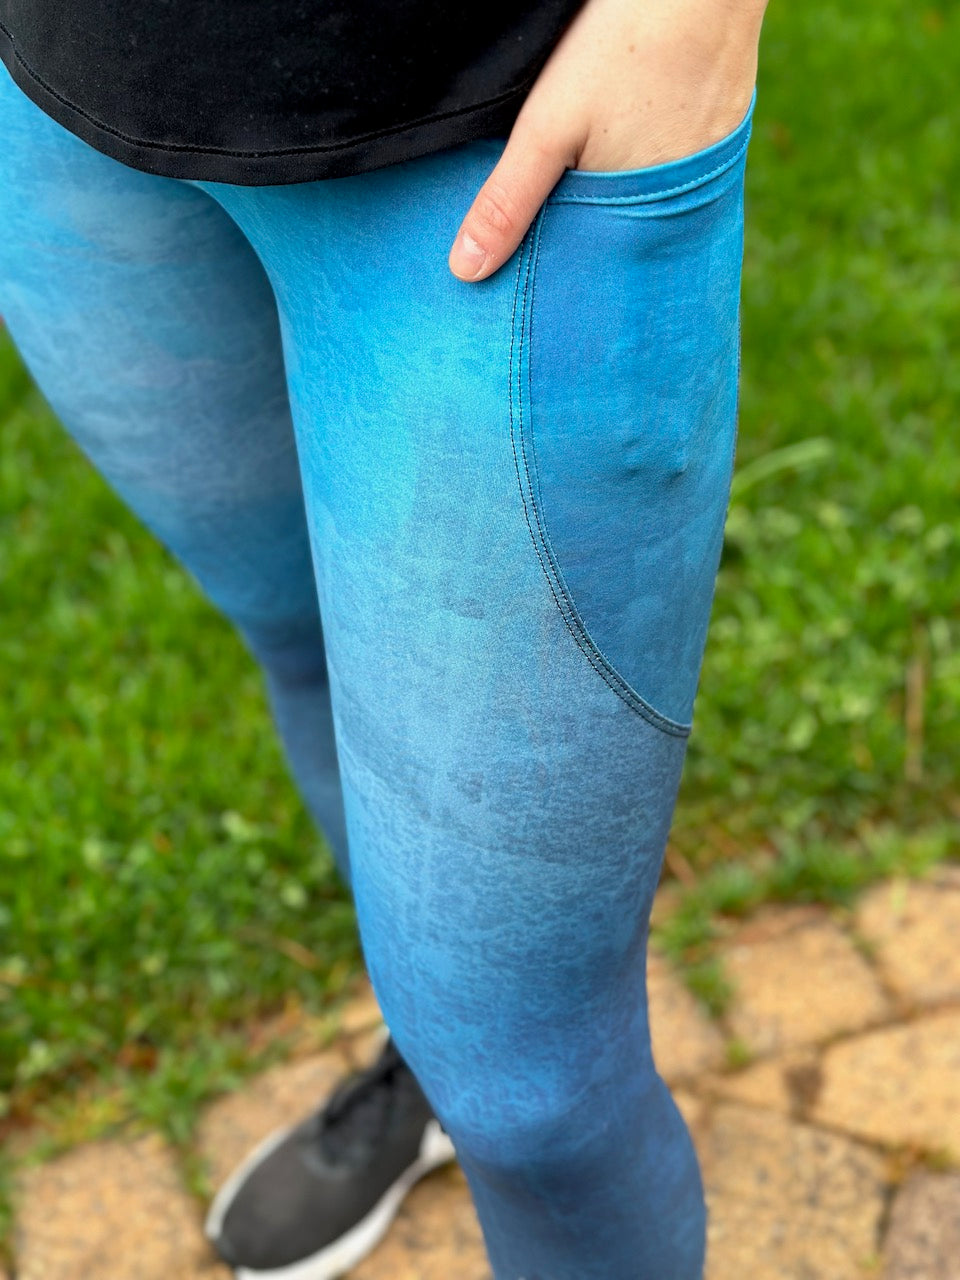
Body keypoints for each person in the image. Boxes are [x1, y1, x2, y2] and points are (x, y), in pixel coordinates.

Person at [0, 0, 768, 1275]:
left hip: (490, 116)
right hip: (65, 96)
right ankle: (426, 1057)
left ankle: (466, 1064)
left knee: (531, 1091)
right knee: (302, 638)